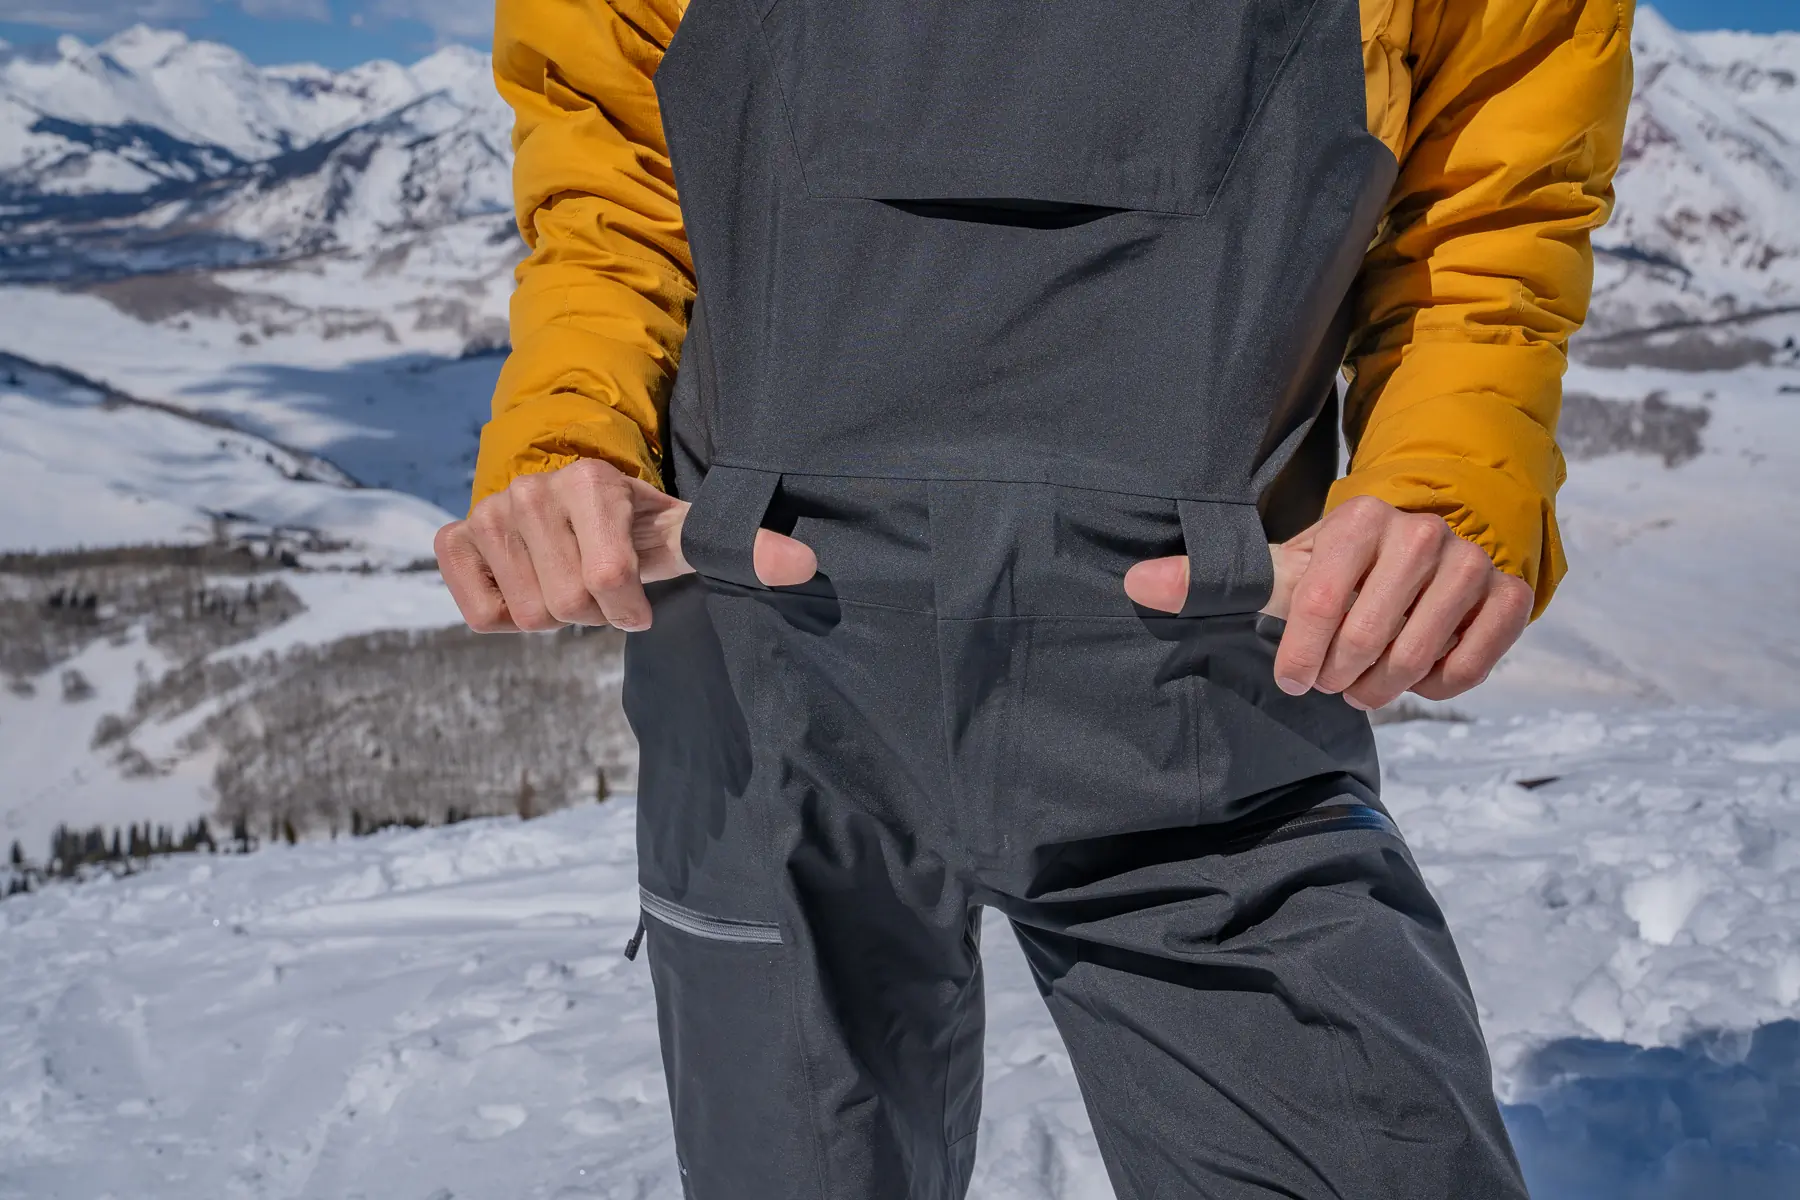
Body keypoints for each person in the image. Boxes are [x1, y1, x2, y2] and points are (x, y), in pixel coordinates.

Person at [436, 0, 1633, 1194]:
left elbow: (1493, 196)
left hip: (1201, 693)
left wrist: (1448, 478)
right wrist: (566, 435)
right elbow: (612, 188)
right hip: (762, 691)